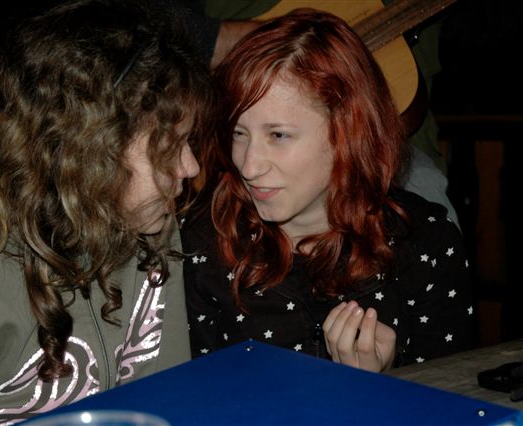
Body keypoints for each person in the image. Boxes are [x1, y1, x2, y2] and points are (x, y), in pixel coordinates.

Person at [0, 0, 213, 423]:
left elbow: (169, 401)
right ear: (85, 150)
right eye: (169, 146)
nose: (191, 167)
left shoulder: (152, 231)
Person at [182, 8, 475, 373]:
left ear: (348, 132)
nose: (249, 166)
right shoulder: (200, 247)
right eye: (238, 133)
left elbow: (451, 394)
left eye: (279, 135)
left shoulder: (426, 244)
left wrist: (384, 384)